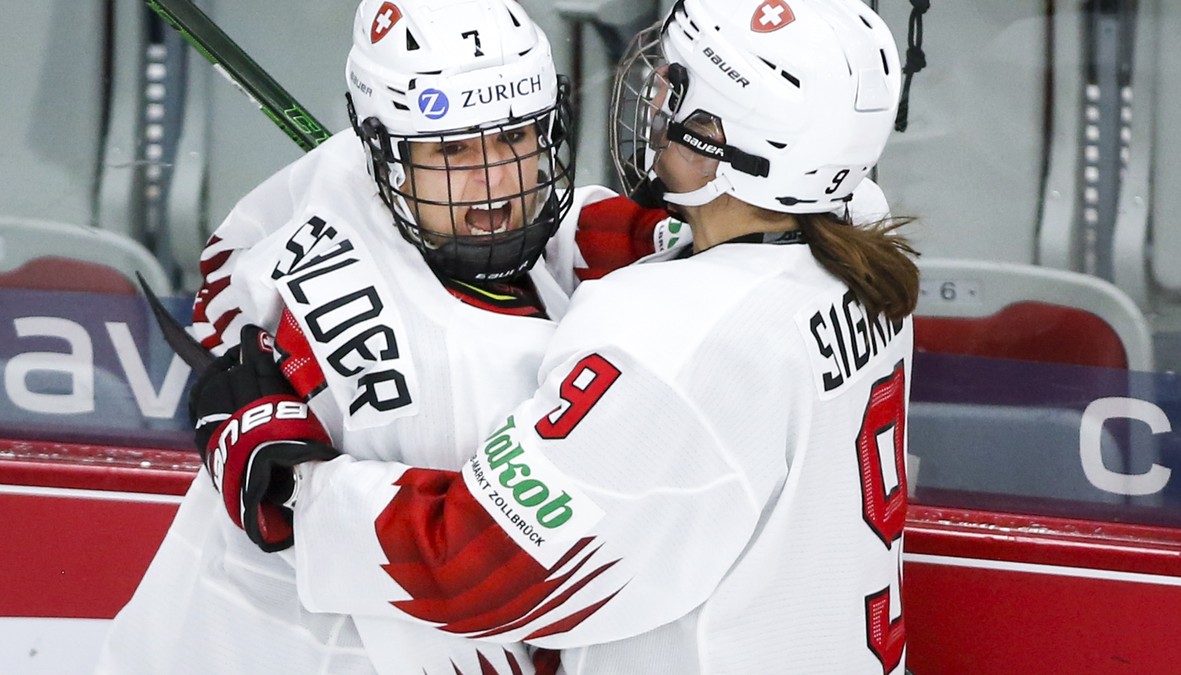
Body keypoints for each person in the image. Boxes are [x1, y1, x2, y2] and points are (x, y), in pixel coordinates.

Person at [187, 0, 920, 672]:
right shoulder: (863, 241)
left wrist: (290, 487)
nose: (655, 103)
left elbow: (473, 566)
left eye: (675, 92)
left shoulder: (661, 350)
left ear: (726, 142)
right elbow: (689, 263)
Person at [97, 1, 685, 673]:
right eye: (455, 148)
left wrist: (671, 239)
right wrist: (257, 415)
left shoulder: (348, 170)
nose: (494, 180)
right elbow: (475, 571)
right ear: (385, 149)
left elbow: (224, 280)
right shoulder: (460, 382)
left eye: (515, 138)